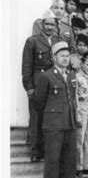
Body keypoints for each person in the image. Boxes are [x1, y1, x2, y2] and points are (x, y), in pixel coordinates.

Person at [34, 41, 79, 178]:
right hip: (53, 122)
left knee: (70, 155)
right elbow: (39, 102)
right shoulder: (46, 76)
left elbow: (72, 98)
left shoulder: (72, 75)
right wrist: (50, 116)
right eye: (62, 56)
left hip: (70, 120)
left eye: (67, 56)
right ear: (54, 58)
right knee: (53, 156)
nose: (65, 59)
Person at [22, 14, 60, 161]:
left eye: (52, 24)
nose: (50, 27)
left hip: (54, 85)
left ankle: (48, 151)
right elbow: (26, 66)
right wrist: (29, 87)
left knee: (51, 118)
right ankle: (36, 152)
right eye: (47, 24)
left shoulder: (58, 41)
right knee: (37, 118)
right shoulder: (32, 41)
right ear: (42, 24)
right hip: (38, 84)